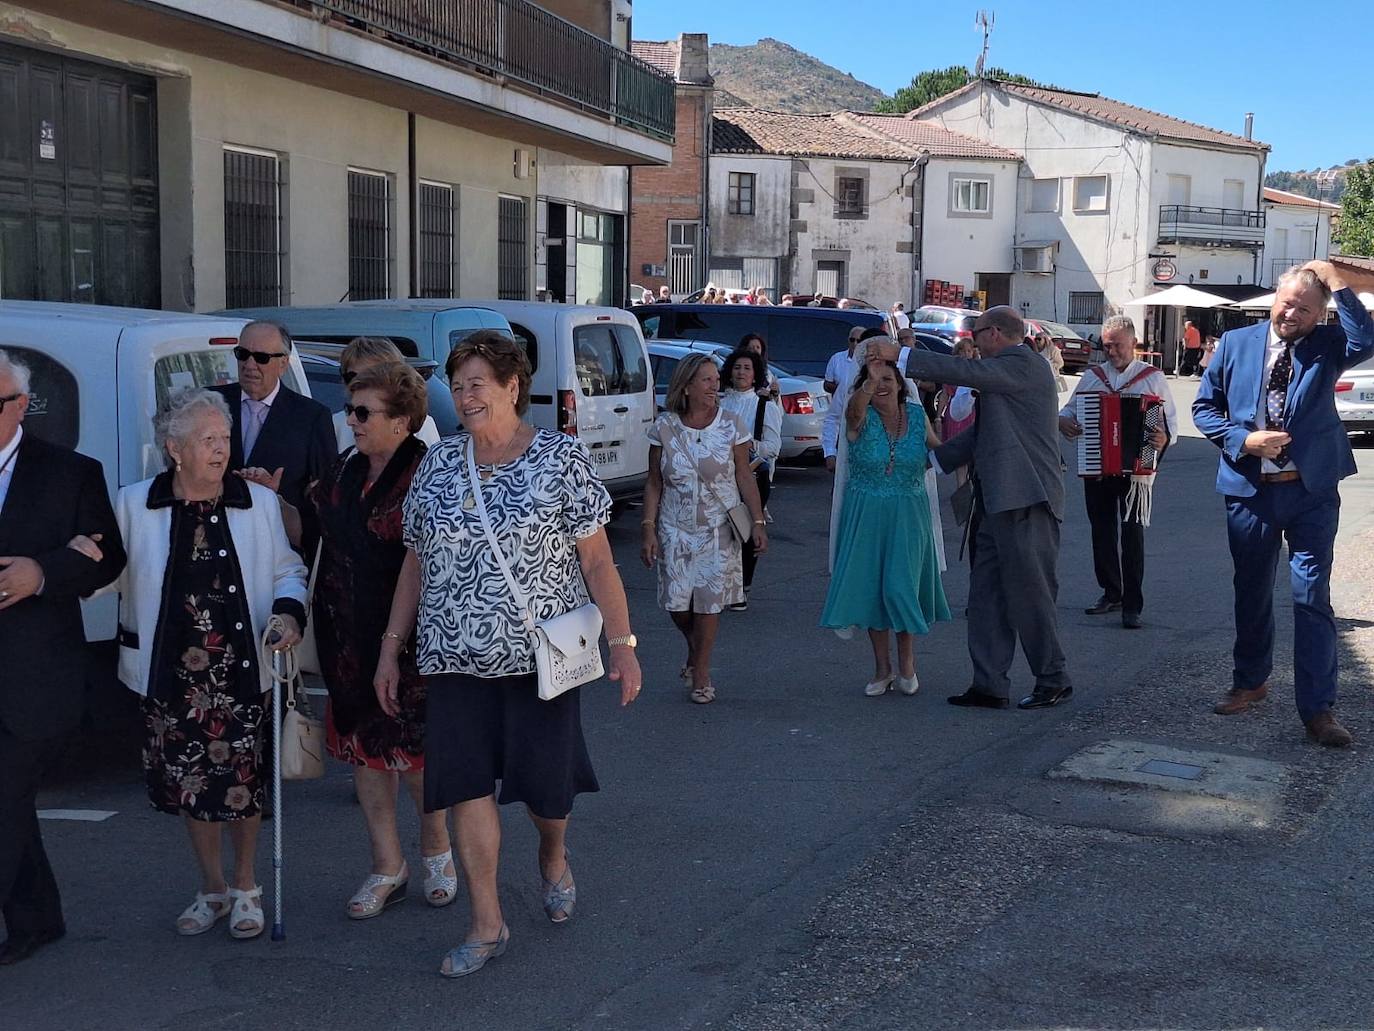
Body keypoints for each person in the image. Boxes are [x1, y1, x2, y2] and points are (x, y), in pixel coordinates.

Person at [376, 331, 641, 977]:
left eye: (478, 383)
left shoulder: (559, 458)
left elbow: (598, 558)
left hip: (539, 661)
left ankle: (553, 853)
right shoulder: (439, 465)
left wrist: (623, 643)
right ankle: (487, 921)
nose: (466, 396)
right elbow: (415, 560)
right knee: (466, 788)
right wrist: (391, 647)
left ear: (512, 385)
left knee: (546, 793)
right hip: (453, 662)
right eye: (458, 384)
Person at [103, 388, 307, 940]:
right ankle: (211, 888)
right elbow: (106, 579)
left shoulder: (255, 503)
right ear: (175, 449)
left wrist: (288, 616)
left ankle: (246, 887)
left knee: (243, 785)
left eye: (224, 438)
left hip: (242, 668)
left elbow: (289, 571)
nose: (220, 451)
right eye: (207, 440)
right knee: (192, 786)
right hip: (171, 673)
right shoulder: (132, 504)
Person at [1193, 260, 1374, 747]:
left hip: (1310, 490)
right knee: (1251, 590)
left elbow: (1367, 339)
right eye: (1286, 301)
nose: (1290, 313)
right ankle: (1250, 681)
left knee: (1311, 595)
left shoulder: (1329, 345)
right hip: (1250, 492)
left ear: (1319, 315)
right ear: (1275, 297)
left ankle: (1319, 710)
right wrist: (1243, 440)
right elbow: (1203, 408)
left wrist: (1338, 284)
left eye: (1304, 308)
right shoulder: (1236, 344)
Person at [307, 362, 453, 918]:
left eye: (363, 412)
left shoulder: (429, 472)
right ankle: (386, 864)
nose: (351, 421)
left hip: (412, 637)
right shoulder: (345, 466)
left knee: (414, 754)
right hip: (346, 633)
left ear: (402, 421)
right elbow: (317, 536)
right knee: (365, 755)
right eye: (350, 410)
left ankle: (437, 850)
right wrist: (276, 500)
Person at [872, 306, 1072, 711]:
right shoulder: (1007, 374)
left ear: (995, 334)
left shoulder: (1024, 364)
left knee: (1030, 597)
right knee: (985, 599)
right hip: (997, 501)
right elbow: (985, 432)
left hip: (1026, 499)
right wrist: (930, 461)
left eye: (977, 334)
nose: (974, 343)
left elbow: (969, 373)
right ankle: (989, 684)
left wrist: (903, 355)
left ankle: (1053, 678)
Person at [0, 350, 126, 966]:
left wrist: (42, 572)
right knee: (11, 801)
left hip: (34, 676)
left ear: (21, 407)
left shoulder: (70, 472)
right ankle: (37, 918)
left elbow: (106, 555)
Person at [641, 353, 767, 704]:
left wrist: (757, 522)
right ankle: (695, 650)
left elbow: (745, 475)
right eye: (707, 380)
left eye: (716, 379)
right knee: (678, 604)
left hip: (718, 527)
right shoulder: (664, 428)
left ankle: (702, 672)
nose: (715, 386)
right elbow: (653, 482)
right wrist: (648, 528)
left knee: (709, 604)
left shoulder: (731, 425)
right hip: (674, 527)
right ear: (687, 386)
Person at [821, 359, 950, 695]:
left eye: (888, 379)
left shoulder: (918, 417)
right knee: (872, 590)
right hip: (866, 514)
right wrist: (865, 382)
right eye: (872, 379)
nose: (881, 385)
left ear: (900, 383)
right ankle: (882, 669)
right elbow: (852, 413)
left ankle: (907, 661)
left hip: (909, 513)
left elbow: (943, 452)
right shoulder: (859, 417)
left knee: (899, 586)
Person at [1058, 315, 1176, 629]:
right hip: (1098, 465)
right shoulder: (1094, 376)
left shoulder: (1152, 377)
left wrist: (1163, 437)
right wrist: (1062, 420)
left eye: (1118, 346)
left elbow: (1170, 425)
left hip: (1137, 470)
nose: (1111, 352)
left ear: (1134, 344)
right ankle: (1111, 592)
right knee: (1102, 532)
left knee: (1133, 536)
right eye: (1107, 346)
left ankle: (1132, 605)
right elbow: (1069, 410)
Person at [212, 321, 335, 556]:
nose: (250, 365)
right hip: (218, 546)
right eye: (243, 354)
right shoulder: (210, 404)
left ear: (283, 364)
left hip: (277, 553)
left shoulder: (312, 417)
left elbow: (324, 499)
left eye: (261, 357)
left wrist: (274, 498)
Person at [719, 349, 782, 610]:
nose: (741, 372)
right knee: (721, 532)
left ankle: (742, 588)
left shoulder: (764, 406)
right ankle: (721, 585)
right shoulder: (719, 404)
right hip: (721, 478)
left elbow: (773, 446)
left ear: (756, 374)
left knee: (746, 531)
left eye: (747, 368)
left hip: (753, 475)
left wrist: (743, 446)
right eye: (737, 367)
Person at [333, 337, 441, 452]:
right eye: (352, 377)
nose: (359, 384)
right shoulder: (335, 424)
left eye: (371, 377)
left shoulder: (421, 426)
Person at [738, 332, 782, 401]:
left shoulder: (768, 373)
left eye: (758, 347)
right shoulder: (739, 371)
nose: (755, 350)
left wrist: (775, 394)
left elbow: (775, 404)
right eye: (751, 348)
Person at [824, 327, 865, 396]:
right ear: (848, 340)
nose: (855, 343)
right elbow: (827, 384)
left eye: (859, 341)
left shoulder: (871, 361)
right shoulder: (836, 358)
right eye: (852, 340)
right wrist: (842, 390)